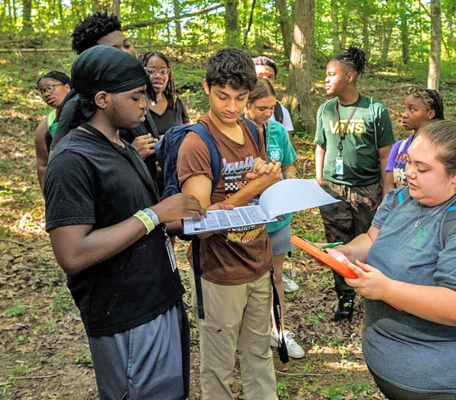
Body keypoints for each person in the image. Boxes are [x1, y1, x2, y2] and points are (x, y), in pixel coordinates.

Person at [43, 45, 210, 399]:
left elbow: (141, 219)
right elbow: (72, 253)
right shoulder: (72, 160)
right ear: (102, 99)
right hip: (125, 316)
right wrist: (155, 214)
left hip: (160, 299)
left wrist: (179, 220)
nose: (142, 105)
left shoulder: (123, 145)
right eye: (135, 97)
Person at [326, 120, 456, 399]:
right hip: (398, 364)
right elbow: (370, 241)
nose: (408, 173)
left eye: (422, 168)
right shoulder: (401, 198)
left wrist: (386, 289)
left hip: (451, 382)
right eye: (408, 162)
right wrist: (343, 254)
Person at [177, 47, 281, 400]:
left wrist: (264, 174)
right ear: (206, 87)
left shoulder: (251, 129)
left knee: (259, 354)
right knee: (219, 367)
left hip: (257, 260)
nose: (232, 107)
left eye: (240, 98)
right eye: (223, 96)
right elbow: (200, 220)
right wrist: (254, 186)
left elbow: (257, 179)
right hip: (220, 272)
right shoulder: (196, 144)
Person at [314, 45, 394, 322]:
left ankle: (371, 293)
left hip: (367, 190)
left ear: (349, 77)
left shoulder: (374, 110)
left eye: (331, 74)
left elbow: (386, 155)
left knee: (368, 245)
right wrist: (319, 179)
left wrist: (388, 190)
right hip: (333, 190)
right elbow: (320, 146)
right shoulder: (325, 110)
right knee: (337, 245)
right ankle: (344, 298)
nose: (325, 79)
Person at [244, 77, 305, 359]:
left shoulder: (278, 130)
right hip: (246, 222)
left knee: (275, 276)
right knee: (246, 279)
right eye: (261, 108)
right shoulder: (235, 133)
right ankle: (247, 336)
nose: (267, 113)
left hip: (278, 219)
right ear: (246, 104)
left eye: (271, 108)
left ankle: (278, 330)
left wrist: (289, 183)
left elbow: (290, 165)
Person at [49, 11, 148, 153]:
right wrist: (132, 154)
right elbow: (57, 161)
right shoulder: (77, 104)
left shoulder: (133, 92)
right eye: (114, 51)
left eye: (126, 45)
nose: (126, 53)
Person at [120, 51, 191, 194]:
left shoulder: (176, 103)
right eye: (151, 71)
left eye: (163, 71)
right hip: (143, 181)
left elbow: (190, 136)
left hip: (174, 180)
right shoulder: (132, 105)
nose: (158, 76)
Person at [383, 87, 445, 193]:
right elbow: (389, 189)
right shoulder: (399, 148)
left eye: (412, 109)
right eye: (405, 109)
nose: (404, 115)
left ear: (431, 114)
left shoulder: (441, 149)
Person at [33, 71, 71, 191]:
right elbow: (43, 164)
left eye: (50, 88)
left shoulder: (88, 111)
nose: (47, 94)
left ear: (67, 87)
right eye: (43, 91)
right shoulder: (46, 126)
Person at [253, 56, 294, 133]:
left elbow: (284, 143)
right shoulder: (236, 110)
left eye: (270, 77)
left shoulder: (281, 112)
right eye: (260, 76)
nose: (265, 79)